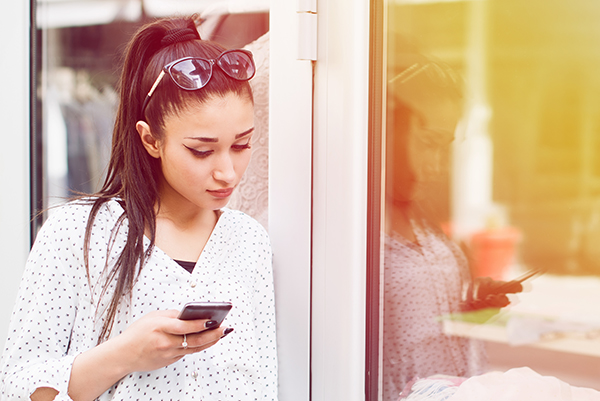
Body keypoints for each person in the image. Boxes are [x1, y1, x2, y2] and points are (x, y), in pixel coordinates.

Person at [0, 15, 277, 401]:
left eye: (241, 144)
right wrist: (126, 354)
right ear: (150, 140)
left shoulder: (249, 240)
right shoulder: (76, 234)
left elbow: (263, 385)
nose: (227, 172)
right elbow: (17, 385)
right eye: (201, 150)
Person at [381, 50, 521, 401]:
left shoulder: (419, 214)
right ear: (386, 132)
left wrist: (471, 303)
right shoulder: (352, 227)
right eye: (429, 144)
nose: (439, 166)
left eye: (446, 148)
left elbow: (424, 318)